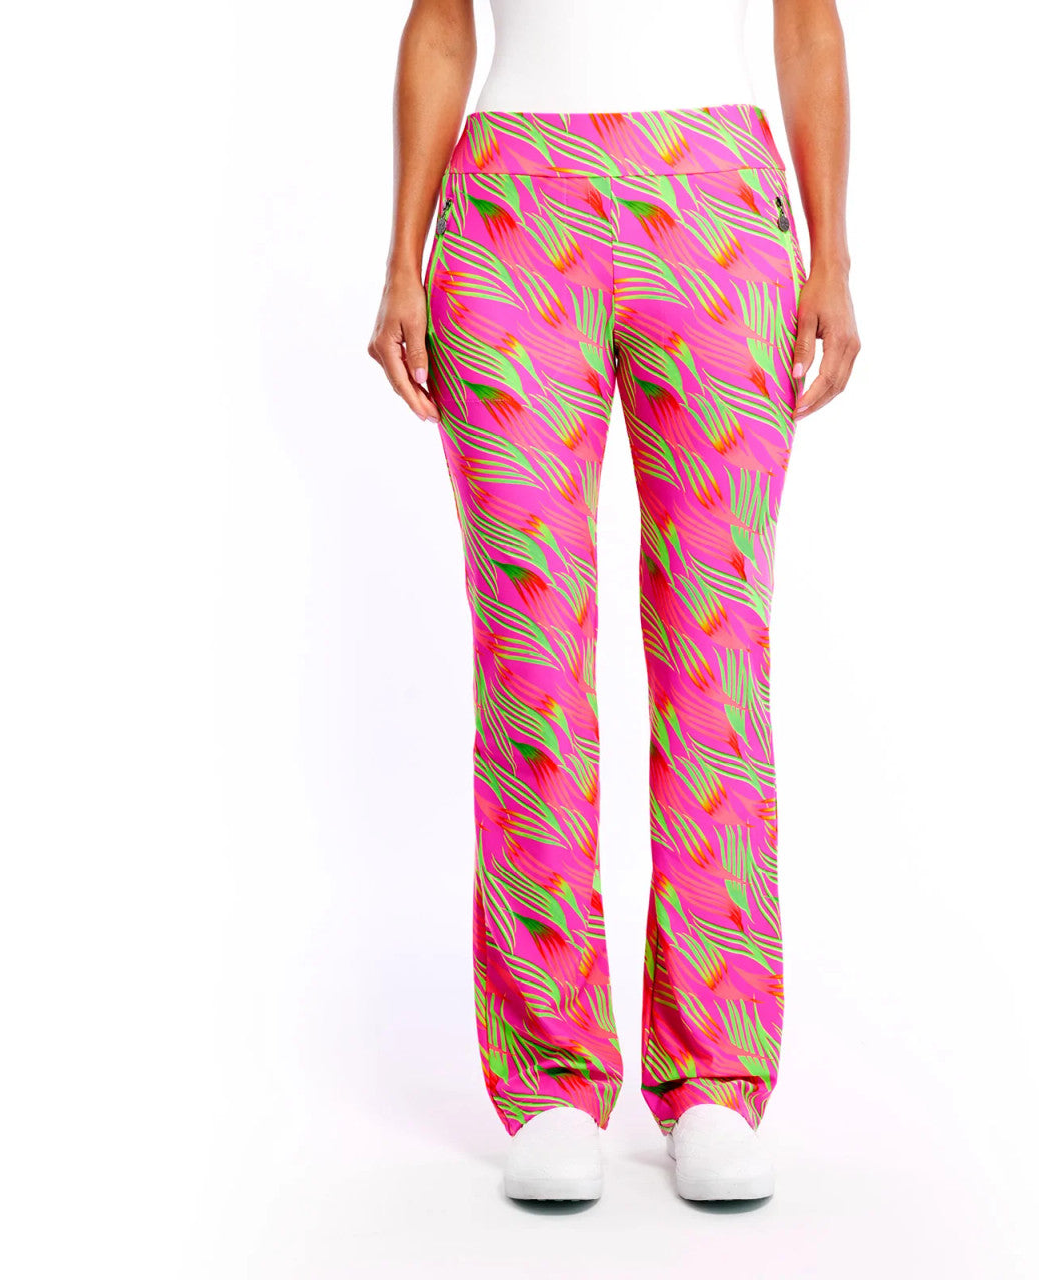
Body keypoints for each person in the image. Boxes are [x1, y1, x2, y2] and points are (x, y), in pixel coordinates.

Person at [368, 0, 859, 1203]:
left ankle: (714, 1078)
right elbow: (441, 25)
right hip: (509, 217)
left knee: (713, 660)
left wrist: (832, 257)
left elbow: (806, 26)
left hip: (714, 208)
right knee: (529, 666)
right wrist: (399, 261)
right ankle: (548, 1076)